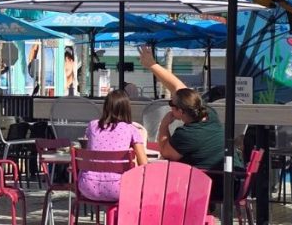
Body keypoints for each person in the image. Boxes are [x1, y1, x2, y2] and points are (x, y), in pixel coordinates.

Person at [138, 46, 243, 200]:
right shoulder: (208, 113)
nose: (170, 105)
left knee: (161, 185)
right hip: (233, 182)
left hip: (214, 187)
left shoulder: (187, 134)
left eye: (171, 104)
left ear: (180, 112)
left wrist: (164, 125)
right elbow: (179, 88)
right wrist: (152, 65)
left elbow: (166, 152)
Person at [79, 89, 148, 201]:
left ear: (106, 107)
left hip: (88, 187)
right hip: (119, 189)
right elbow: (143, 164)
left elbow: (90, 148)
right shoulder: (131, 129)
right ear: (127, 109)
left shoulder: (92, 126)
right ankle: (125, 218)